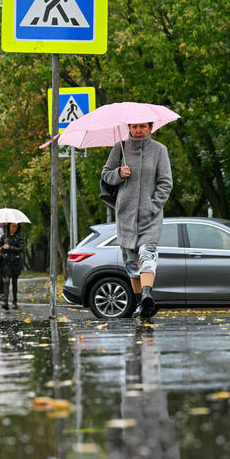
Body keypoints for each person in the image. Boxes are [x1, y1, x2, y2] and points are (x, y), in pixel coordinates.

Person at [101, 122, 172, 319]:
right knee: (131, 262)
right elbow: (105, 175)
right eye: (134, 127)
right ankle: (142, 304)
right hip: (125, 215)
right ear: (129, 128)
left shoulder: (159, 150)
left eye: (142, 126)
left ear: (151, 128)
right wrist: (118, 173)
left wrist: (153, 206)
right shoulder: (119, 148)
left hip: (150, 217)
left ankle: (147, 294)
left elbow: (166, 182)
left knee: (147, 254)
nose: (138, 130)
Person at [0, 222, 24, 310]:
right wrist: (1, 249)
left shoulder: (19, 237)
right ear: (9, 226)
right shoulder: (4, 237)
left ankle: (14, 301)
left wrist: (10, 247)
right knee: (7, 280)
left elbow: (20, 249)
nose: (14, 228)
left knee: (14, 282)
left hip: (16, 262)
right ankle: (5, 301)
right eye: (12, 226)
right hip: (6, 262)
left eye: (16, 226)